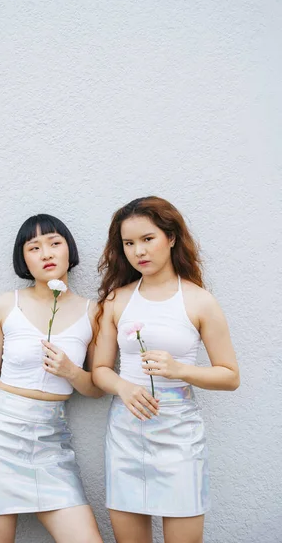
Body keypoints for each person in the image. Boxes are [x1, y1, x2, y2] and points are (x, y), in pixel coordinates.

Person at [92, 196, 240, 543]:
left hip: (179, 436)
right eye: (129, 243)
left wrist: (180, 370)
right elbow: (100, 369)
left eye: (148, 239)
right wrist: (123, 387)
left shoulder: (199, 300)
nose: (138, 251)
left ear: (171, 238)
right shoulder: (118, 299)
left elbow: (230, 375)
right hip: (127, 435)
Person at [0, 214, 104, 543]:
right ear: (23, 258)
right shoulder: (4, 305)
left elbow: (97, 388)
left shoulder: (92, 312)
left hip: (52, 444)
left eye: (55, 243)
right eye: (34, 247)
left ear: (69, 250)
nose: (47, 253)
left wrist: (70, 371)